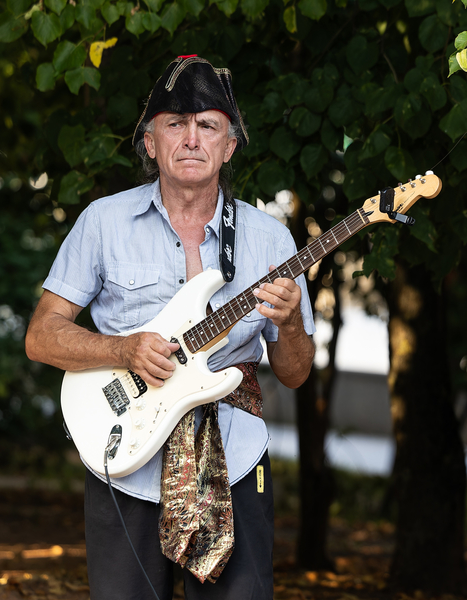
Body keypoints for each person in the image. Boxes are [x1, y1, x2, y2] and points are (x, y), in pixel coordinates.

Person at [25, 55, 316, 600]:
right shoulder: (103, 222)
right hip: (125, 457)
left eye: (208, 125)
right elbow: (41, 336)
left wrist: (293, 320)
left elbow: (295, 374)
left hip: (235, 458)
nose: (191, 138)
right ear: (150, 142)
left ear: (229, 146)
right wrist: (125, 347)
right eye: (174, 124)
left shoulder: (270, 240)